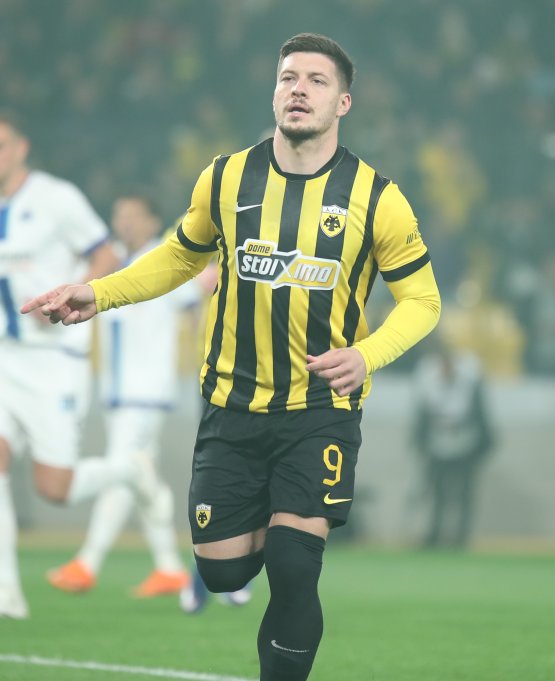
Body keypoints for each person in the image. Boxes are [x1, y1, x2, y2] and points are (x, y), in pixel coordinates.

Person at [22, 33, 441, 681]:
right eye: (288, 77)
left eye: (317, 81)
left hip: (318, 409)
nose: (299, 89)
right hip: (231, 405)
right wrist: (97, 293)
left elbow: (423, 300)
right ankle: (262, 534)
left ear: (343, 103)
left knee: (295, 565)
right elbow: (178, 255)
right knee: (222, 573)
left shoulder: (376, 197)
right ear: (274, 92)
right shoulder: (225, 177)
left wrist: (368, 354)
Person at [0, 111, 124, 619]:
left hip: (54, 360)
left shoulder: (57, 198)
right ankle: (7, 593)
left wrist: (71, 296)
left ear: (21, 148)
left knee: (55, 489)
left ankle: (129, 472)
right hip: (5, 356)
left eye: (2, 144)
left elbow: (106, 255)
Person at [46, 193, 197, 598]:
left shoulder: (165, 259)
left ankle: (87, 563)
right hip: (116, 391)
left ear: (153, 221)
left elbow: (197, 298)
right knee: (139, 476)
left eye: (134, 215)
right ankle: (169, 567)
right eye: (119, 215)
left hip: (146, 392)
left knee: (125, 469)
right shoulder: (113, 260)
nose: (124, 222)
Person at [411, 339, 493, 549]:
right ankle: (435, 534)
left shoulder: (470, 376)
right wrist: (421, 443)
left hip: (465, 443)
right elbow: (423, 413)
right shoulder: (427, 377)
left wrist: (482, 446)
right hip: (437, 444)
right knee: (437, 493)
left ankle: (460, 537)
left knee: (464, 493)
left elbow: (479, 413)